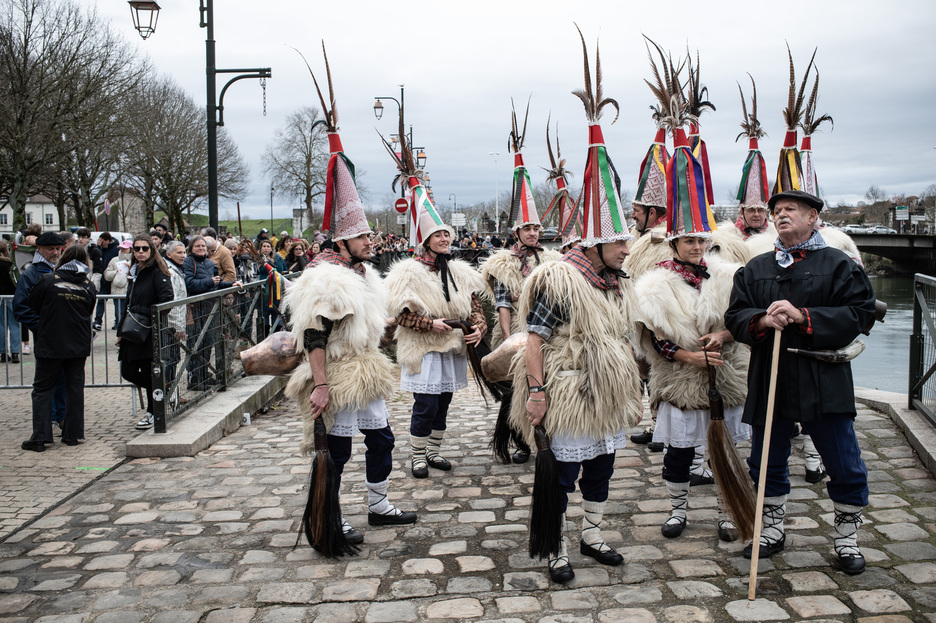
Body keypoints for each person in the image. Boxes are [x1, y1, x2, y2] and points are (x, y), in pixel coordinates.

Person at [511, 54, 643, 583]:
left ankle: (592, 534)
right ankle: (558, 546)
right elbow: (534, 338)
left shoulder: (617, 280)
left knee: (603, 468)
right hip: (567, 389)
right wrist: (537, 392)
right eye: (619, 241)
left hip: (605, 390)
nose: (627, 248)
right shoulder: (559, 279)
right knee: (563, 472)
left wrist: (632, 384)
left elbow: (626, 337)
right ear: (593, 242)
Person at [283, 55, 415, 549]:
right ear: (342, 240)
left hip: (365, 368)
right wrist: (320, 384)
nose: (369, 241)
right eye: (361, 236)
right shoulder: (326, 277)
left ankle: (379, 505)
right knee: (336, 452)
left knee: (382, 439)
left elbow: (374, 322)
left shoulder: (362, 272)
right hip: (337, 372)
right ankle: (330, 518)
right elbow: (314, 334)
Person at [725, 189, 876, 575]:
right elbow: (735, 316)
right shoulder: (755, 268)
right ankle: (771, 530)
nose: (780, 214)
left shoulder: (839, 265)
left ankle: (847, 539)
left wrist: (803, 316)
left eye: (791, 209)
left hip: (823, 376)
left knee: (843, 460)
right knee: (765, 460)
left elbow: (860, 315)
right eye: (776, 210)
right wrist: (762, 320)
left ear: (812, 217)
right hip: (770, 375)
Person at [634, 210, 749, 542]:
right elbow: (655, 337)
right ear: (674, 243)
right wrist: (690, 357)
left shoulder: (728, 277)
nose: (697, 247)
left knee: (724, 451)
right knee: (679, 453)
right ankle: (677, 511)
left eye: (701, 240)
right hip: (680, 378)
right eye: (689, 241)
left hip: (725, 374)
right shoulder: (655, 285)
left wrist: (724, 335)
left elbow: (745, 320)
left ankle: (727, 513)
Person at [385, 199, 487, 479]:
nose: (444, 239)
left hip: (451, 347)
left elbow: (475, 308)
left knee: (443, 403)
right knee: (426, 404)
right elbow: (401, 316)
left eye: (446, 235)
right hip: (424, 348)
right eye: (438, 235)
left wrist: (479, 327)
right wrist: (430, 324)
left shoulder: (459, 272)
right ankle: (418, 455)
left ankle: (433, 450)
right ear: (426, 241)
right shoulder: (407, 272)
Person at [479, 134, 561, 464]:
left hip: (546, 332)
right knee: (515, 391)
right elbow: (503, 304)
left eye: (536, 229)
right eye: (527, 229)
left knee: (544, 384)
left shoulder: (550, 260)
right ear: (517, 232)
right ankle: (519, 440)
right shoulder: (504, 264)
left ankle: (545, 436)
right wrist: (508, 337)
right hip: (515, 331)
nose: (533, 233)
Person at [21, 244, 96, 451]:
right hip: (78, 344)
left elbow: (33, 303)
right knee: (74, 388)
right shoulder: (88, 285)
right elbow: (89, 309)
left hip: (51, 342)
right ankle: (73, 434)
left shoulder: (48, 280)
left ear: (64, 258)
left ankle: (41, 437)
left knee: (43, 389)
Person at [117, 234, 174, 430]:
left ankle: (153, 411)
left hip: (148, 331)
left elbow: (166, 300)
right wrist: (121, 331)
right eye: (137, 249)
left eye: (145, 248)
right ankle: (163, 389)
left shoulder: (158, 271)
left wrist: (147, 318)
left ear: (152, 250)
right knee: (127, 371)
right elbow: (128, 302)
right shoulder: (134, 272)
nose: (140, 252)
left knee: (149, 372)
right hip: (131, 329)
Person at [13, 231, 67, 428]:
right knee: (47, 378)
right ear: (40, 249)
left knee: (63, 377)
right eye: (50, 249)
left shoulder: (63, 269)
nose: (55, 252)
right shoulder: (31, 274)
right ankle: (51, 416)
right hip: (46, 335)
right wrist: (43, 326)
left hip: (65, 335)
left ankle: (61, 415)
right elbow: (21, 307)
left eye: (58, 248)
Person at [182, 235, 242, 391]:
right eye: (197, 246)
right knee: (196, 343)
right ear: (191, 248)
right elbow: (189, 283)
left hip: (209, 308)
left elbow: (217, 283)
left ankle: (204, 374)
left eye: (203, 246)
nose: (201, 248)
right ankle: (195, 378)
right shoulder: (188, 262)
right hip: (196, 308)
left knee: (208, 342)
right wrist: (209, 282)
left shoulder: (209, 263)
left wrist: (231, 284)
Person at [162, 241, 188, 399]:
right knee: (170, 359)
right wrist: (178, 327)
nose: (183, 256)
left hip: (174, 322)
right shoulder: (169, 271)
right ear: (169, 254)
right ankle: (169, 395)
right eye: (179, 253)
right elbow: (173, 301)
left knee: (173, 358)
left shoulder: (176, 269)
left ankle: (172, 394)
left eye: (184, 252)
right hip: (170, 324)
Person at [103, 240, 133, 329]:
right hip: (117, 291)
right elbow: (107, 275)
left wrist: (130, 269)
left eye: (125, 248)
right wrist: (116, 272)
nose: (122, 250)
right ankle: (118, 324)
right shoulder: (114, 260)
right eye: (121, 248)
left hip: (130, 292)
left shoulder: (135, 261)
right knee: (118, 310)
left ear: (130, 249)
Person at [0, 241, 21, 363]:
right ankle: (15, 352)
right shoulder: (10, 265)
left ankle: (3, 352)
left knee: (1, 325)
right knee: (14, 324)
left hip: (0, 297)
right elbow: (15, 282)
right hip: (11, 296)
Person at [94, 232, 119, 331]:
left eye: (102, 241)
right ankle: (97, 321)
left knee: (117, 302)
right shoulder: (101, 249)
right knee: (101, 301)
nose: (101, 243)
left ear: (107, 240)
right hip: (104, 280)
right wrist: (99, 247)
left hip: (113, 279)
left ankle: (118, 322)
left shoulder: (116, 249)